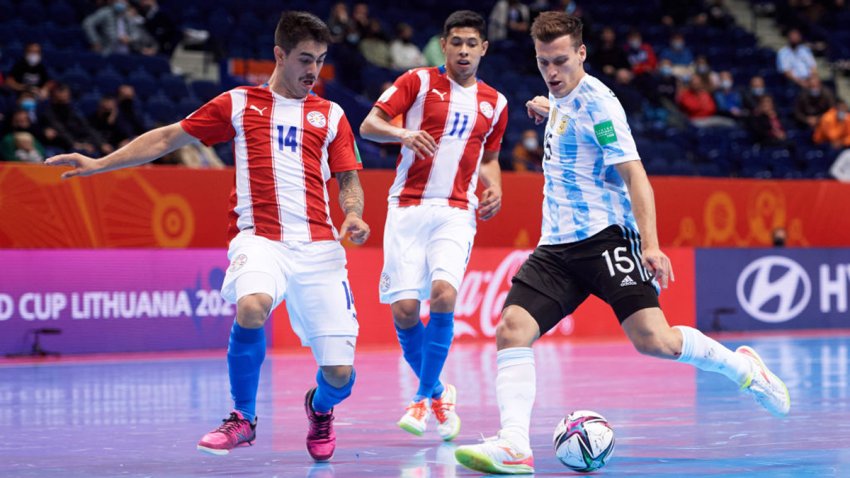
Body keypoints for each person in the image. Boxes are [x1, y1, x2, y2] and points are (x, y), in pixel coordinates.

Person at [454, 12, 791, 474]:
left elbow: (636, 177)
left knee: (656, 341)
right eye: (543, 62)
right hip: (556, 247)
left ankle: (744, 369)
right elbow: (574, 123)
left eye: (560, 62)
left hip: (605, 239)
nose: (552, 73)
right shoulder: (562, 101)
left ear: (582, 54)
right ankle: (514, 444)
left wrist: (650, 246)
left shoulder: (600, 104)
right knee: (512, 328)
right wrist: (552, 109)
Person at [46, 11, 370, 463]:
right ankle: (243, 418)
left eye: (319, 59)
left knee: (340, 377)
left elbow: (348, 179)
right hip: (260, 239)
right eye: (303, 59)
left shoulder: (331, 114)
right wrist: (101, 164)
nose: (313, 71)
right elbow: (167, 138)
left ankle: (319, 408)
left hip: (320, 248)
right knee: (252, 307)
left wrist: (352, 214)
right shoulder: (239, 103)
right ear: (279, 55)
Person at [359, 10, 507, 442]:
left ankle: (422, 398)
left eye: (471, 43)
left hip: (456, 210)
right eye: (455, 42)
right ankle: (441, 392)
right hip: (406, 207)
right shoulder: (417, 82)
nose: (463, 50)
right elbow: (369, 126)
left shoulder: (495, 103)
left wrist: (493, 188)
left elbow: (491, 158)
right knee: (405, 311)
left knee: (444, 295)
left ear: (484, 48)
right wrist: (402, 135)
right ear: (443, 45)